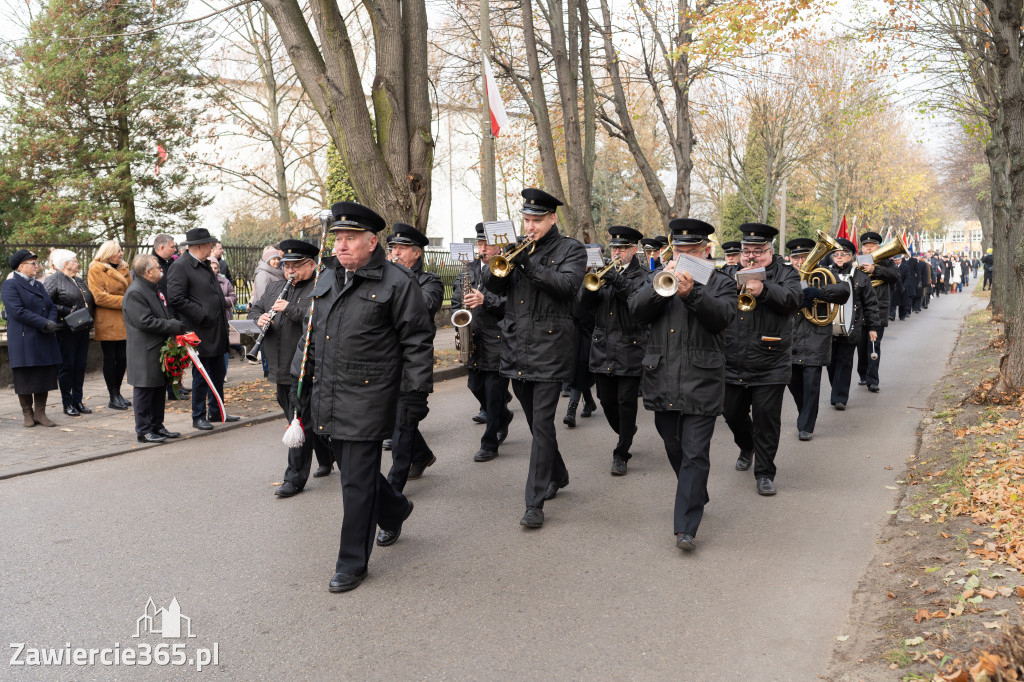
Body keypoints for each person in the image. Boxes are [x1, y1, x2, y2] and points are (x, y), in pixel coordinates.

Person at [291, 201, 433, 593]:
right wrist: (298, 386)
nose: (341, 246)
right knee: (360, 474)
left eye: (350, 239)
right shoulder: (326, 279)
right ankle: (396, 508)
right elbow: (311, 339)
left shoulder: (397, 283)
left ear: (372, 242)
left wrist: (416, 393)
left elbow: (417, 342)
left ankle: (352, 563)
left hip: (370, 397)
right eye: (337, 239)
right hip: (326, 394)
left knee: (354, 483)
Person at [482, 188, 587, 529]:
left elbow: (567, 286)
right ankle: (558, 473)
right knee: (533, 422)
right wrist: (500, 261)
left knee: (541, 425)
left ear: (552, 218)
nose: (530, 227)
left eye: (537, 221)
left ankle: (534, 503)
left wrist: (527, 263)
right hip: (516, 347)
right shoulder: (516, 251)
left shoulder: (571, 249)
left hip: (552, 349)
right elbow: (493, 290)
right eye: (526, 220)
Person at [628, 218, 735, 550]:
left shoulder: (720, 283)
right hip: (662, 378)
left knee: (694, 453)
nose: (684, 257)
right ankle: (696, 491)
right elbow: (636, 311)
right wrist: (662, 288)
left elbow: (722, 318)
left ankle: (685, 528)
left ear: (705, 250)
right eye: (679, 251)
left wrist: (693, 295)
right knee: (673, 446)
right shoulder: (656, 277)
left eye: (692, 251)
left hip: (702, 379)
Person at [249, 239, 334, 497]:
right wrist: (258, 318)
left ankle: (294, 478)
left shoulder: (321, 287)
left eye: (296, 266)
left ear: (312, 264)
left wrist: (291, 309)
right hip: (277, 367)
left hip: (305, 367)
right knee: (300, 417)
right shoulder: (275, 286)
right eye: (287, 266)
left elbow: (321, 319)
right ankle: (327, 455)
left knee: (297, 421)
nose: (290, 272)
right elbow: (255, 310)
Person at [722, 223, 802, 496]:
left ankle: (765, 473)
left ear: (770, 250)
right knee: (731, 413)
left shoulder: (786, 273)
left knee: (767, 420)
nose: (751, 256)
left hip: (771, 359)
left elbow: (793, 299)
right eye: (747, 251)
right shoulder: (727, 273)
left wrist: (764, 290)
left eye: (758, 251)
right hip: (732, 357)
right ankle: (747, 445)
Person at [379, 222, 444, 497]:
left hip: (413, 360)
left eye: (401, 249)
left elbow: (424, 306)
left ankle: (395, 488)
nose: (395, 253)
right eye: (392, 248)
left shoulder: (430, 281)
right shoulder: (384, 277)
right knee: (395, 419)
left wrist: (400, 277)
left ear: (416, 253)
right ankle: (423, 455)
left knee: (403, 424)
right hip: (385, 360)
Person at [580, 225, 648, 475]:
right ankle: (626, 431)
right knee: (606, 400)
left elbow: (639, 305)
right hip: (602, 348)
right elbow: (581, 307)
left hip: (630, 348)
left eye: (622, 248)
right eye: (614, 247)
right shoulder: (603, 273)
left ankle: (622, 452)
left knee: (626, 402)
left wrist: (618, 281)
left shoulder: (643, 277)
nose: (617, 252)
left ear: (634, 249)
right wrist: (588, 284)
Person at [451, 222, 513, 463]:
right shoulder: (469, 269)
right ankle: (503, 415)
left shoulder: (507, 268)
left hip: (498, 338)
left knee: (494, 393)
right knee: (474, 387)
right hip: (474, 338)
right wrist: (460, 321)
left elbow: (512, 305)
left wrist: (485, 300)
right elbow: (457, 300)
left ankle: (489, 443)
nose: (483, 248)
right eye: (479, 243)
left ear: (499, 246)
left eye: (488, 244)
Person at [167, 228, 237, 430]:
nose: (212, 248)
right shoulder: (181, 266)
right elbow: (176, 298)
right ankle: (198, 415)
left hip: (217, 328)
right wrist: (202, 314)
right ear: (198, 246)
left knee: (217, 371)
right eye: (209, 245)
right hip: (200, 330)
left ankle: (217, 411)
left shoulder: (205, 264)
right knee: (201, 374)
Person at [785, 238, 850, 441]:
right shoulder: (784, 276)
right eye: (797, 258)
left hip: (815, 336)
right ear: (791, 259)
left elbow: (843, 291)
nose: (800, 261)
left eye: (804, 257)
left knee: (811, 384)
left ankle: (806, 426)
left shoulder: (823, 274)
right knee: (794, 384)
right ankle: (804, 413)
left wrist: (819, 292)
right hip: (790, 338)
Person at [122, 255, 186, 444]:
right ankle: (143, 430)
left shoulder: (151, 288)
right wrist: (173, 326)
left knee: (158, 389)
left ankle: (157, 425)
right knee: (144, 391)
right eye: (159, 268)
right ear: (148, 272)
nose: (162, 270)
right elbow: (145, 322)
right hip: (144, 350)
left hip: (157, 348)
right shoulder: (136, 292)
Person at [2, 250, 62, 427]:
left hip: (43, 336)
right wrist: (44, 323)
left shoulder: (38, 285)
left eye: (37, 262)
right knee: (26, 377)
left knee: (43, 375)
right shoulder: (10, 285)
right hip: (24, 338)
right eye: (32, 263)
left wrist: (51, 320)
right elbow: (17, 311)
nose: (37, 266)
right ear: (21, 267)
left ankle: (40, 413)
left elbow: (50, 306)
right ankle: (27, 413)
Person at [826, 238, 880, 410]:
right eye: (836, 254)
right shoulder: (825, 274)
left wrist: (872, 327)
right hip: (828, 327)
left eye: (843, 254)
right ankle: (836, 388)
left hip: (851, 326)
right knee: (831, 363)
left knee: (845, 361)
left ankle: (840, 397)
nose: (839, 257)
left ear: (851, 256)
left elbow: (870, 304)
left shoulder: (861, 277)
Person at [44, 249, 95, 416]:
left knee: (80, 366)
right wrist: (65, 310)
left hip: (82, 328)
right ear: (66, 264)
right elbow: (45, 303)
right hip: (65, 330)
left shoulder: (78, 280)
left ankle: (78, 401)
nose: (78, 263)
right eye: (75, 260)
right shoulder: (54, 280)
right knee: (67, 367)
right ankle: (67, 403)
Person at [87, 240, 133, 410]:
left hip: (124, 319)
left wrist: (118, 298)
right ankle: (112, 395)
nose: (121, 253)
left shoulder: (124, 268)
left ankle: (118, 392)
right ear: (108, 253)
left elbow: (132, 292)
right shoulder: (96, 269)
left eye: (121, 250)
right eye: (118, 251)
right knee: (111, 357)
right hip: (107, 320)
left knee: (122, 358)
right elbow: (99, 297)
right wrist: (126, 301)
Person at [856, 232, 899, 393]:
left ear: (878, 246)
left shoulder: (887, 261)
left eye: (872, 245)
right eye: (866, 246)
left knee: (874, 344)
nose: (868, 248)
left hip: (879, 308)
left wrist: (875, 269)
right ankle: (863, 374)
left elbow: (895, 276)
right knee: (861, 345)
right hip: (860, 309)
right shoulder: (857, 262)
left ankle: (873, 380)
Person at [210, 258, 237, 375]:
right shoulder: (203, 281)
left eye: (216, 268)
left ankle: (223, 373)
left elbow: (233, 297)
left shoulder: (225, 281)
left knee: (225, 346)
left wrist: (221, 300)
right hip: (210, 320)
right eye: (211, 267)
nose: (214, 270)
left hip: (224, 318)